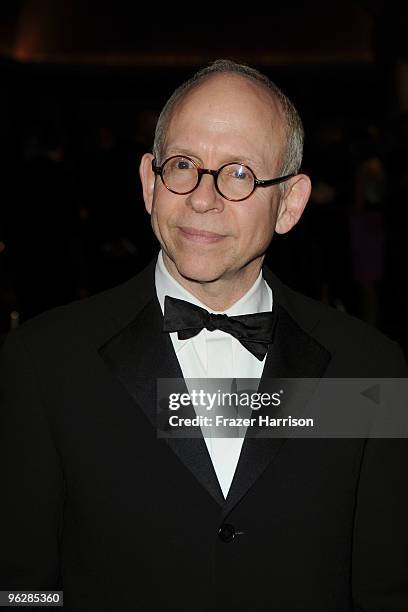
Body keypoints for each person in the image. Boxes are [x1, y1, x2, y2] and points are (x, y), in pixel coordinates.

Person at [0, 59, 407, 612]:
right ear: (150, 182)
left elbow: (383, 588)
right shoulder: (44, 361)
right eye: (183, 164)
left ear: (289, 203)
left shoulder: (369, 369)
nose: (201, 197)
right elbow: (24, 584)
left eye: (239, 172)